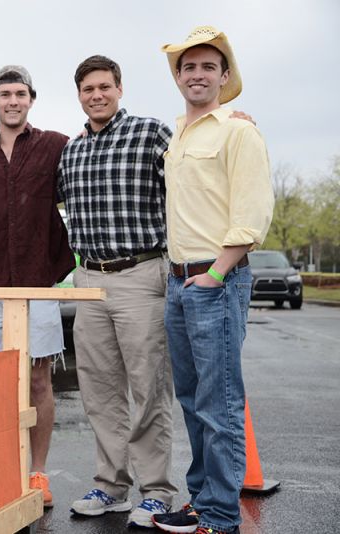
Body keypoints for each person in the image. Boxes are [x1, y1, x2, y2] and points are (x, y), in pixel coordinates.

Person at [151, 27, 273, 534]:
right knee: (191, 399)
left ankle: (221, 517)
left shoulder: (238, 131)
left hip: (215, 281)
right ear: (178, 77)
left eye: (207, 67)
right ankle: (204, 501)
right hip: (179, 283)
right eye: (188, 67)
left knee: (219, 402)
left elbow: (251, 213)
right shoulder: (177, 135)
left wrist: (216, 273)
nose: (196, 74)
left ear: (225, 76)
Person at [56, 55, 178, 528]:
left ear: (120, 88)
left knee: (148, 388)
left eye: (104, 86)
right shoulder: (72, 151)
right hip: (89, 280)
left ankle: (157, 491)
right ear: (80, 94)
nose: (97, 95)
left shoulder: (151, 134)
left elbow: (188, 180)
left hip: (141, 274)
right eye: (88, 89)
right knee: (100, 390)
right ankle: (111, 486)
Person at [0, 66, 75, 508]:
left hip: (38, 282)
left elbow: (100, 156)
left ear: (32, 99)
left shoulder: (56, 146)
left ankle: (37, 472)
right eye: (5, 94)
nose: (13, 100)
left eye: (21, 93)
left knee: (37, 379)